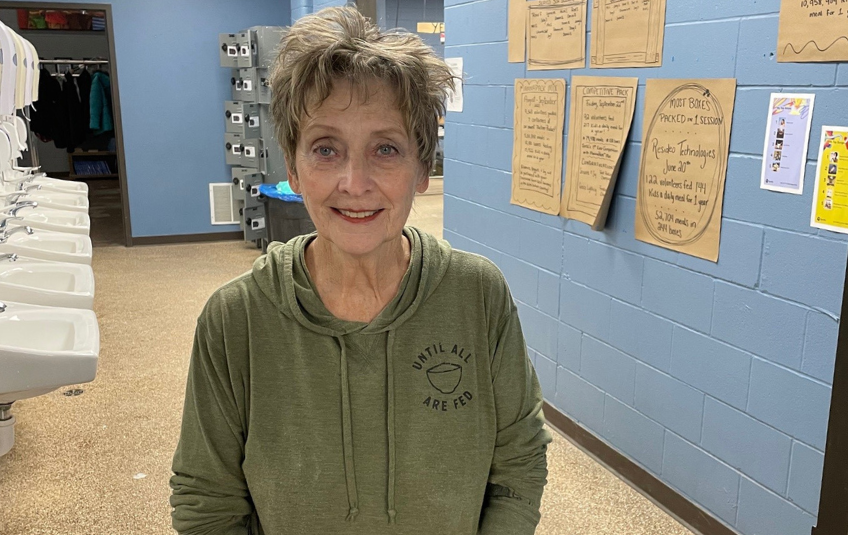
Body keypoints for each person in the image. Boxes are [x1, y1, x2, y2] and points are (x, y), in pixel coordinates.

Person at [169, 6, 551, 535]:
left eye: (386, 149)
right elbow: (205, 501)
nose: (355, 181)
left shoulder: (476, 295)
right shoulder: (236, 319)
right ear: (294, 166)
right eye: (326, 149)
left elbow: (518, 466)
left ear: (422, 169)